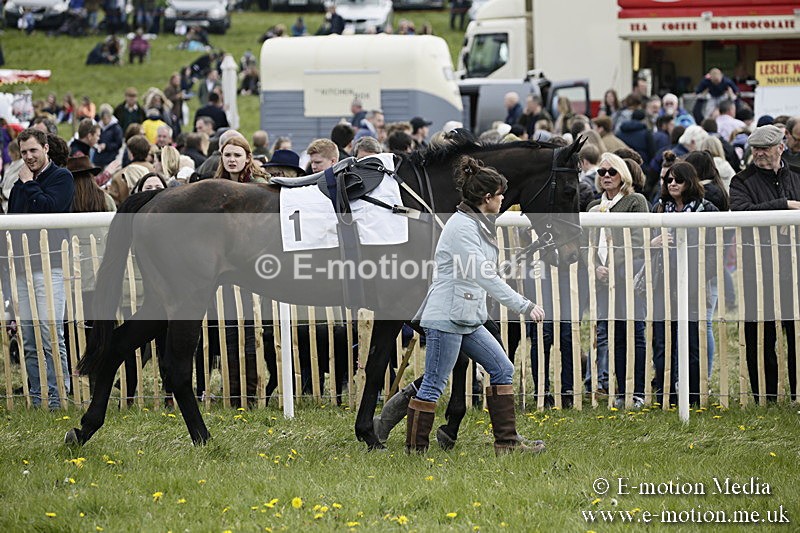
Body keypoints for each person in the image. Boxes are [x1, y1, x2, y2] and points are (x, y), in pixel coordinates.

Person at [409, 156, 546, 454]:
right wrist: (524, 305)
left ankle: (507, 443)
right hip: (447, 317)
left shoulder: (476, 224)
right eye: (500, 195)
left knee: (502, 368)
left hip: (468, 316)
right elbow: (485, 277)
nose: (503, 200)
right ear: (487, 198)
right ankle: (415, 451)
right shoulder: (462, 228)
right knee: (434, 384)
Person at [729, 125, 800, 402]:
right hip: (757, 270)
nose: (759, 154)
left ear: (780, 148)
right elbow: (742, 211)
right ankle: (764, 395)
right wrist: (786, 205)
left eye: (765, 149)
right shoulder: (741, 180)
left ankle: (797, 391)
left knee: (795, 332)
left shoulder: (796, 173)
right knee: (760, 332)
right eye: (755, 149)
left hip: (794, 267)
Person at [8, 129, 75, 409]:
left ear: (46, 148)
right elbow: (10, 227)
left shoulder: (62, 177)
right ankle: (37, 396)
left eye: (33, 151)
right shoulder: (18, 186)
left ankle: (59, 394)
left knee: (51, 333)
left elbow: (49, 209)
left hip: (50, 266)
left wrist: (29, 183)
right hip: (22, 267)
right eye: (24, 153)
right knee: (28, 336)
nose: (29, 157)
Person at [649, 162, 719, 406]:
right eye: (669, 180)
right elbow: (643, 243)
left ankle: (693, 396)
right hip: (662, 283)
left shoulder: (707, 209)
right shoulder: (658, 209)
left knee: (692, 341)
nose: (673, 184)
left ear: (690, 182)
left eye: (678, 179)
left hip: (694, 284)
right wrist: (653, 242)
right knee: (662, 341)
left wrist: (699, 278)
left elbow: (714, 250)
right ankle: (664, 393)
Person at [586, 153, 648, 406]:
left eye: (612, 172)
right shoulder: (593, 208)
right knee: (612, 334)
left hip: (627, 278)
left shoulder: (635, 201)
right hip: (602, 280)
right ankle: (622, 391)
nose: (606, 176)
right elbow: (586, 245)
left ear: (623, 175)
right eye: (602, 173)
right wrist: (596, 267)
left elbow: (639, 241)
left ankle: (639, 392)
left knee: (636, 332)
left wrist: (612, 265)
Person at [94, 104, 124, 168]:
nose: (105, 120)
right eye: (103, 118)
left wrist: (106, 146)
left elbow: (119, 144)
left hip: (110, 158)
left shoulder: (116, 128)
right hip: (98, 158)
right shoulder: (99, 126)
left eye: (106, 118)